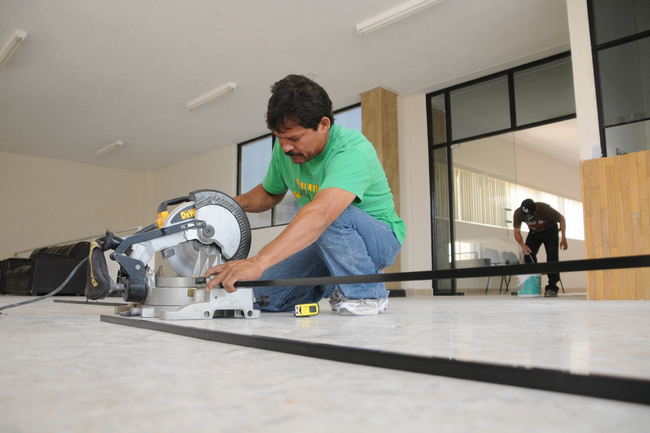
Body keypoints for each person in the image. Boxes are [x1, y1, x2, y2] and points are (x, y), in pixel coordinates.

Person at [205, 74, 405, 316]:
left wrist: (258, 261)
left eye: (294, 138)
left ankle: (367, 294)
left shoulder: (352, 151)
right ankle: (335, 282)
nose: (285, 147)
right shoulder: (285, 151)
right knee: (260, 296)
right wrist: (228, 205)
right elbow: (270, 193)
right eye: (279, 138)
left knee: (332, 215)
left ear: (324, 125)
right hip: (326, 236)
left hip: (380, 239)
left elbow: (322, 214)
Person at [513, 198, 568, 297]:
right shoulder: (518, 213)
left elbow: (561, 219)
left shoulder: (545, 209)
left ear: (536, 209)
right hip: (534, 231)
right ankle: (531, 284)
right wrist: (522, 245)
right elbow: (516, 232)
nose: (529, 219)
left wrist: (563, 237)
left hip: (550, 230)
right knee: (528, 254)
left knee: (552, 257)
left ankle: (552, 288)